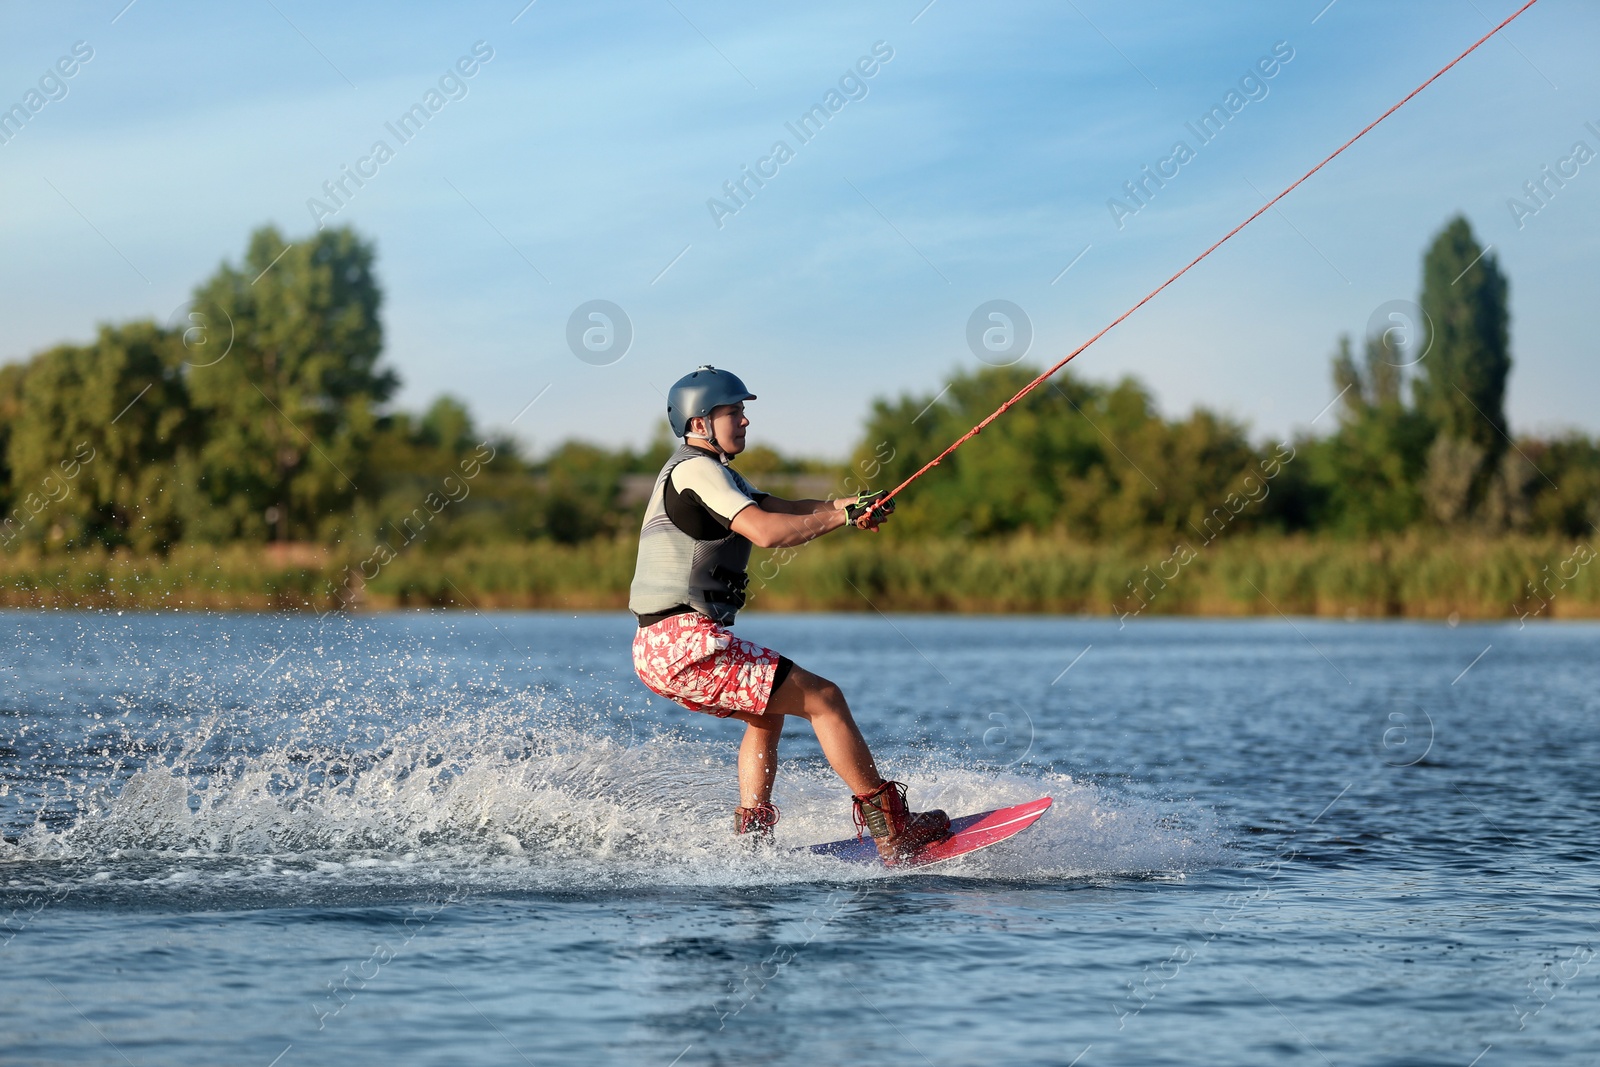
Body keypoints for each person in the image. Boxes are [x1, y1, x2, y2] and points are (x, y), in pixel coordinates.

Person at [628, 366, 950, 863]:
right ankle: (892, 827)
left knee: (767, 714)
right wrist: (839, 518)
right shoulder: (696, 470)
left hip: (662, 647)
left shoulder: (714, 472)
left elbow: (784, 505)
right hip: (682, 641)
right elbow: (768, 531)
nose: (744, 421)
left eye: (743, 411)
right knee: (825, 697)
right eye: (732, 412)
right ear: (697, 424)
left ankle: (753, 840)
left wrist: (848, 504)